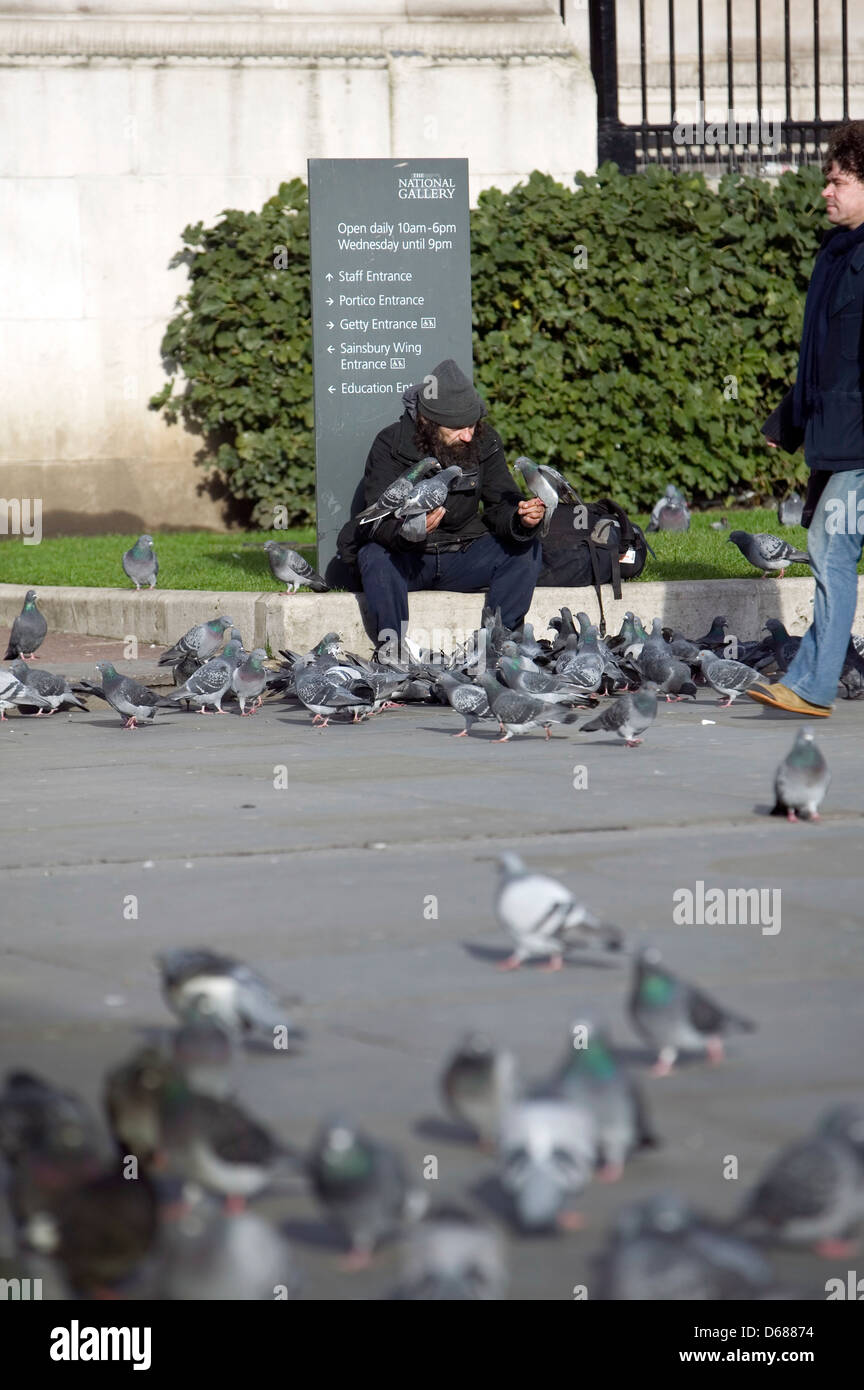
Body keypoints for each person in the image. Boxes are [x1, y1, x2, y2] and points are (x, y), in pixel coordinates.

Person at [751, 122, 864, 717]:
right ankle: (809, 681)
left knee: (828, 547)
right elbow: (821, 358)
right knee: (829, 550)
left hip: (857, 446)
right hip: (834, 439)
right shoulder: (834, 253)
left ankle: (813, 685)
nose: (826, 191)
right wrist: (787, 422)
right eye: (827, 180)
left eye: (839, 181)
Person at [356, 359, 544, 653]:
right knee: (374, 556)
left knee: (526, 548)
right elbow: (374, 521)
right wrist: (408, 533)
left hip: (464, 552)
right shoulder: (390, 443)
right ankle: (392, 652)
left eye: (472, 424)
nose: (468, 435)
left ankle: (498, 644)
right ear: (428, 423)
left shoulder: (485, 440)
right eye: (458, 428)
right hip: (409, 559)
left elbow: (500, 502)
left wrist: (521, 518)